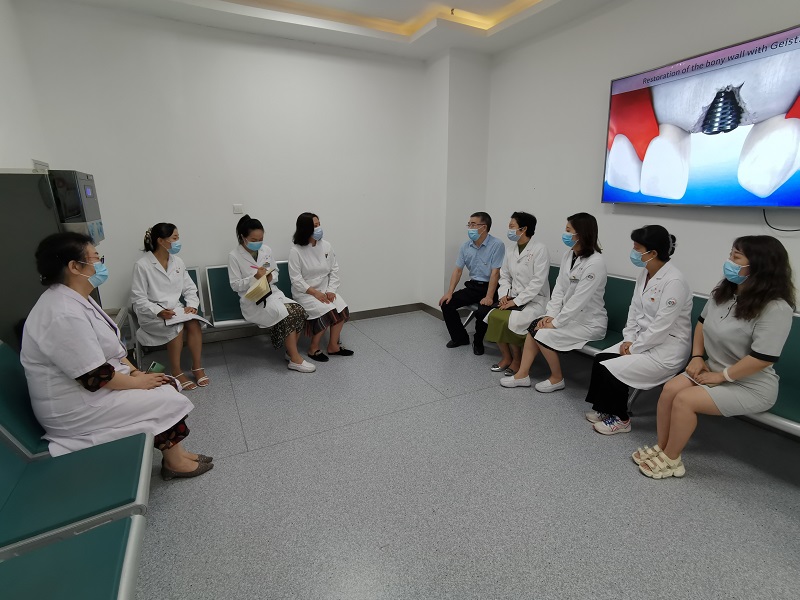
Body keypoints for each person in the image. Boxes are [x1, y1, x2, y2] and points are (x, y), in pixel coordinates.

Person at [21, 232, 212, 480]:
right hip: (74, 408)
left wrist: (135, 372)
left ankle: (178, 455)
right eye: (96, 258)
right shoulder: (62, 313)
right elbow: (94, 377)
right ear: (75, 267)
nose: (101, 264)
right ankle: (175, 463)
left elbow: (112, 350)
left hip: (93, 388)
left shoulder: (75, 299)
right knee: (164, 395)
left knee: (163, 385)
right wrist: (138, 382)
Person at [633, 236, 795, 479]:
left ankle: (672, 460)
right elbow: (701, 323)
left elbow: (763, 358)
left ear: (760, 264)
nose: (729, 261)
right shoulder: (724, 292)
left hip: (750, 384)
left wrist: (722, 376)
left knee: (685, 400)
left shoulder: (776, 308)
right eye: (731, 254)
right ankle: (663, 447)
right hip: (712, 369)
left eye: (736, 257)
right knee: (670, 389)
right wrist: (697, 356)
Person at [583, 225, 692, 435]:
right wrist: (628, 339)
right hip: (641, 340)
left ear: (653, 253)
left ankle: (621, 419)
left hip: (667, 349)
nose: (633, 252)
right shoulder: (645, 273)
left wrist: (634, 348)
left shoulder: (674, 281)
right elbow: (634, 310)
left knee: (612, 368)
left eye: (637, 248)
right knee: (600, 359)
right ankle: (605, 409)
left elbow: (662, 326)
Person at [500, 212, 607, 391]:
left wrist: (555, 322)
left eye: (568, 230)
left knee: (543, 334)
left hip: (588, 322)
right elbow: (559, 289)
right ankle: (522, 375)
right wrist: (549, 315)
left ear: (581, 234)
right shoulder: (569, 255)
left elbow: (579, 300)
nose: (565, 234)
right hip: (568, 317)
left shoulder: (595, 262)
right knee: (535, 326)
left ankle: (557, 378)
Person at [228, 215, 315, 373]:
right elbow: (235, 285)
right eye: (254, 239)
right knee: (286, 314)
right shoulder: (234, 256)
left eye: (261, 239)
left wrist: (270, 277)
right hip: (252, 300)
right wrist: (254, 278)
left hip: (272, 293)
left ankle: (290, 351)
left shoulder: (266, 250)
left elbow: (275, 272)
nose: (258, 242)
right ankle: (295, 359)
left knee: (299, 311)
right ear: (243, 237)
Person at [131, 223, 208, 390]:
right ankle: (176, 371)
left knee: (194, 324)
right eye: (175, 238)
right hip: (152, 315)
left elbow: (190, 288)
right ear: (161, 240)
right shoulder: (142, 265)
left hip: (176, 310)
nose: (178, 241)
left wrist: (191, 305)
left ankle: (197, 366)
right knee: (176, 327)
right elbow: (138, 299)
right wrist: (159, 311)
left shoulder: (178, 262)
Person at [483, 212, 550, 374]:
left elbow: (537, 282)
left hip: (535, 299)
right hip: (512, 297)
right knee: (494, 316)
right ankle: (506, 357)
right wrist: (503, 296)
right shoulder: (510, 250)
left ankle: (517, 360)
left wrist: (516, 302)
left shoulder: (539, 249)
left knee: (512, 320)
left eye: (512, 226)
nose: (509, 229)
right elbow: (505, 276)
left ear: (524, 229)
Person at [288, 212, 353, 362]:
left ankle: (333, 346)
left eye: (319, 224)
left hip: (325, 290)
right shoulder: (296, 251)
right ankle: (313, 349)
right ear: (305, 229)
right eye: (315, 226)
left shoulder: (326, 246)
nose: (319, 228)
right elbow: (296, 279)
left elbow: (334, 270)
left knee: (342, 308)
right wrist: (315, 293)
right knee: (327, 312)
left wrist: (330, 290)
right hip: (305, 293)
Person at [439, 212, 505, 355]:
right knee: (447, 304)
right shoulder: (465, 246)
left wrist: (489, 296)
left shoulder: (497, 245)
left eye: (473, 224)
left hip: (492, 287)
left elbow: (495, 273)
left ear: (484, 227)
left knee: (482, 312)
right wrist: (449, 292)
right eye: (469, 224)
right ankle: (460, 338)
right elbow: (458, 270)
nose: (470, 228)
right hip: (474, 286)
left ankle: (478, 341)